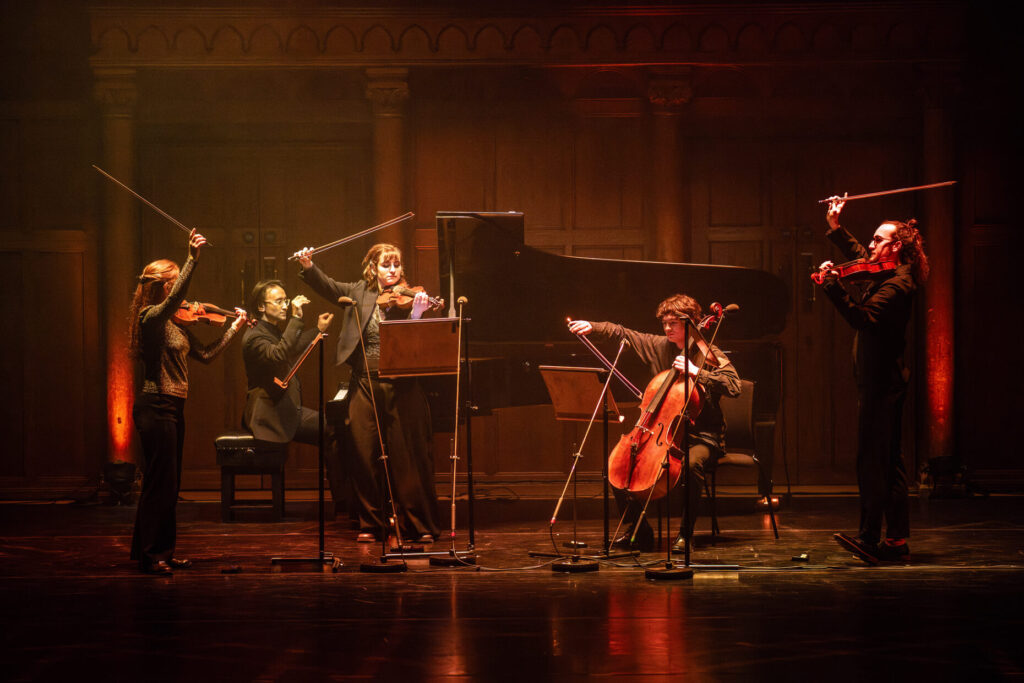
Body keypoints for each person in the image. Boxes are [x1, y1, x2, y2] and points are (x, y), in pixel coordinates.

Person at [569, 294, 741, 552]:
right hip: (662, 435)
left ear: (693, 323)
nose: (668, 328)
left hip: (703, 436)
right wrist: (594, 327)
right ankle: (638, 528)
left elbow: (734, 385)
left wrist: (698, 373)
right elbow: (622, 332)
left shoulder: (708, 352)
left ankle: (686, 533)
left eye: (674, 323)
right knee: (618, 467)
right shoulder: (659, 345)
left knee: (692, 466)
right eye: (665, 323)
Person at [293, 243, 440, 543]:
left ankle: (418, 524)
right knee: (362, 451)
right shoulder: (357, 291)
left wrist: (417, 313)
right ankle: (371, 523)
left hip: (402, 383)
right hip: (363, 380)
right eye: (386, 265)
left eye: (396, 265)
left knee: (407, 456)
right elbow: (328, 286)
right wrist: (308, 265)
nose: (393, 271)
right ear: (372, 267)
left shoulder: (411, 297)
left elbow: (415, 346)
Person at [813, 194, 929, 564]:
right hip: (884, 381)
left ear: (896, 246)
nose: (871, 244)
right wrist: (836, 227)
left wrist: (832, 285)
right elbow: (863, 258)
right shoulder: (888, 271)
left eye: (879, 239)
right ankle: (895, 541)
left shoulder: (898, 285)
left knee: (872, 462)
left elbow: (862, 318)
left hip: (881, 385)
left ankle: (868, 537)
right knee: (889, 460)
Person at [129, 229, 248, 575]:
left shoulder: (177, 327)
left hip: (174, 408)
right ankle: (154, 555)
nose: (180, 294)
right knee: (160, 483)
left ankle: (155, 552)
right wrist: (192, 260)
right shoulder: (150, 318)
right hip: (156, 406)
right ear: (163, 286)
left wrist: (234, 327)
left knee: (169, 484)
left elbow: (208, 355)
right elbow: (174, 298)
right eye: (172, 284)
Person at [241, 281, 345, 510]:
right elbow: (280, 354)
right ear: (261, 306)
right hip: (269, 414)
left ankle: (345, 499)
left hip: (284, 408)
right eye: (278, 301)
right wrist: (297, 318)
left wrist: (317, 330)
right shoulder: (254, 337)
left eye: (286, 301)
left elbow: (291, 345)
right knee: (332, 430)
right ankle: (345, 502)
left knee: (335, 429)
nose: (285, 305)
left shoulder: (269, 330)